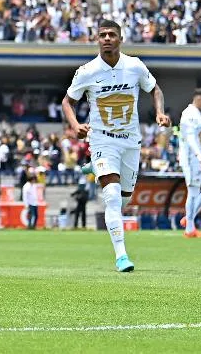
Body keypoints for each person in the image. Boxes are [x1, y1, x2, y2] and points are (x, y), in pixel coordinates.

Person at [62, 20, 171, 272]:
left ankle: (95, 167)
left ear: (120, 38)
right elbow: (67, 101)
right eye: (103, 35)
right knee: (111, 196)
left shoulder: (134, 65)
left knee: (123, 200)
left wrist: (160, 113)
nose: (107, 38)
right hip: (102, 139)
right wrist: (75, 124)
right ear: (97, 40)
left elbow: (155, 89)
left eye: (112, 34)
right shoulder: (87, 71)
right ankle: (122, 256)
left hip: (130, 142)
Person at [178, 88, 201, 238]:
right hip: (191, 159)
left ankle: (189, 217)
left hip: (196, 158)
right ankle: (190, 230)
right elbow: (191, 139)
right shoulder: (190, 114)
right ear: (199, 98)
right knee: (193, 191)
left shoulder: (196, 114)